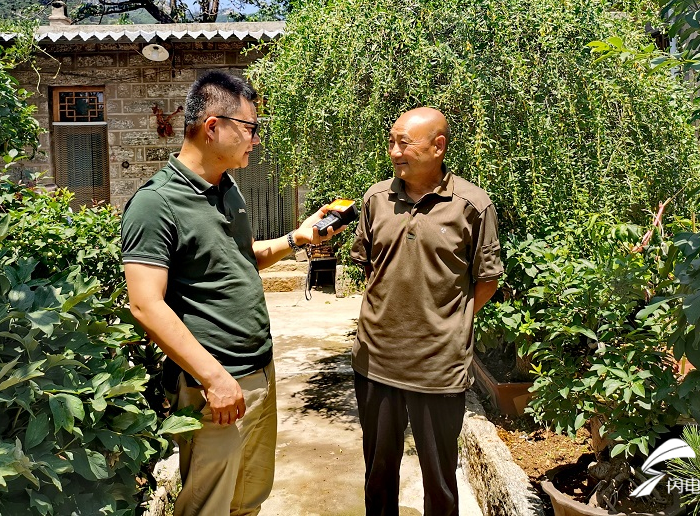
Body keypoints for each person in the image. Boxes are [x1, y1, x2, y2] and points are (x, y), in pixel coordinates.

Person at [121, 70, 341, 516]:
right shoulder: (155, 203)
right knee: (208, 506)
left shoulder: (226, 187)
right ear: (212, 126)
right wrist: (214, 378)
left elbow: (242, 259)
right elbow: (145, 305)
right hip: (216, 386)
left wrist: (297, 239)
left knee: (247, 500)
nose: (255, 140)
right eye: (250, 128)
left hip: (259, 371)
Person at [350, 107, 504, 516]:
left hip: (438, 367)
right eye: (391, 142)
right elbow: (369, 266)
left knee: (440, 480)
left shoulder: (472, 205)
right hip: (376, 361)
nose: (394, 151)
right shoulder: (376, 199)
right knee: (379, 473)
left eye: (404, 143)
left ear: (438, 147)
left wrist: (445, 322)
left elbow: (485, 280)